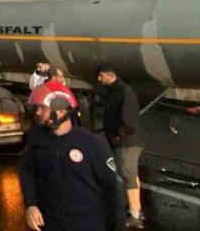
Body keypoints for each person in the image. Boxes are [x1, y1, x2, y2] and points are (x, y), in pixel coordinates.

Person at [19, 84, 125, 231]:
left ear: (61, 111)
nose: (37, 112)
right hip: (51, 223)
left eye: (41, 108)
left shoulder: (93, 144)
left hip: (88, 224)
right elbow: (27, 171)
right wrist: (31, 205)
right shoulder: (35, 139)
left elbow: (113, 190)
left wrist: (118, 227)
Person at [97, 63, 144, 229]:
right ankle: (136, 208)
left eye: (101, 76)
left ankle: (135, 216)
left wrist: (118, 136)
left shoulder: (124, 92)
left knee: (127, 174)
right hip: (123, 141)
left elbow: (129, 121)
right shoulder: (115, 91)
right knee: (131, 174)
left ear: (110, 75)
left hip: (127, 142)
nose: (99, 79)